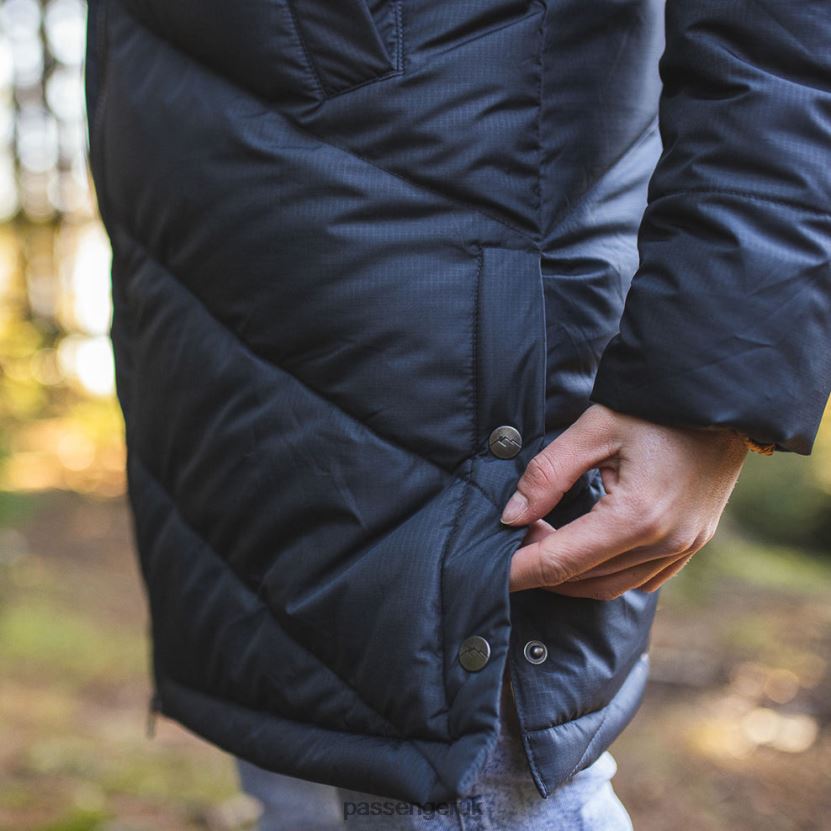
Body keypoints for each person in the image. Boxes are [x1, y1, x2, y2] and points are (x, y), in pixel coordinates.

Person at [83, 0, 831, 828]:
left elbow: (784, 47)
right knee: (304, 772)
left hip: (438, 350)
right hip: (221, 372)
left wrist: (706, 385)